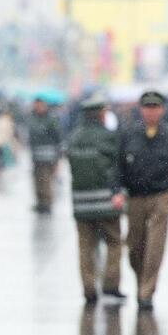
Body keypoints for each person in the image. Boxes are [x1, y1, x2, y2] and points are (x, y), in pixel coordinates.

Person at [118, 90, 168, 312]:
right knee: (134, 246)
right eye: (147, 107)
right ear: (141, 110)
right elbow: (118, 166)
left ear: (161, 110)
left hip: (160, 197)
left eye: (155, 107)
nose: (151, 112)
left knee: (155, 246)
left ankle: (146, 292)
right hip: (134, 197)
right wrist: (116, 190)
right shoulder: (129, 134)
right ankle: (141, 279)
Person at [67, 93, 125, 305]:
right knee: (114, 243)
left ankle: (89, 288)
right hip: (107, 201)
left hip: (81, 202)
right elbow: (118, 166)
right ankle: (110, 284)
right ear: (101, 114)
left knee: (85, 247)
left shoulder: (74, 138)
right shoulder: (109, 137)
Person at [28, 97, 63, 214]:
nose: (38, 107)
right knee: (37, 179)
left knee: (46, 180)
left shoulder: (51, 119)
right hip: (36, 156)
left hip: (48, 155)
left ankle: (47, 203)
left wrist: (57, 158)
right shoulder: (32, 118)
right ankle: (40, 202)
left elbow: (58, 138)